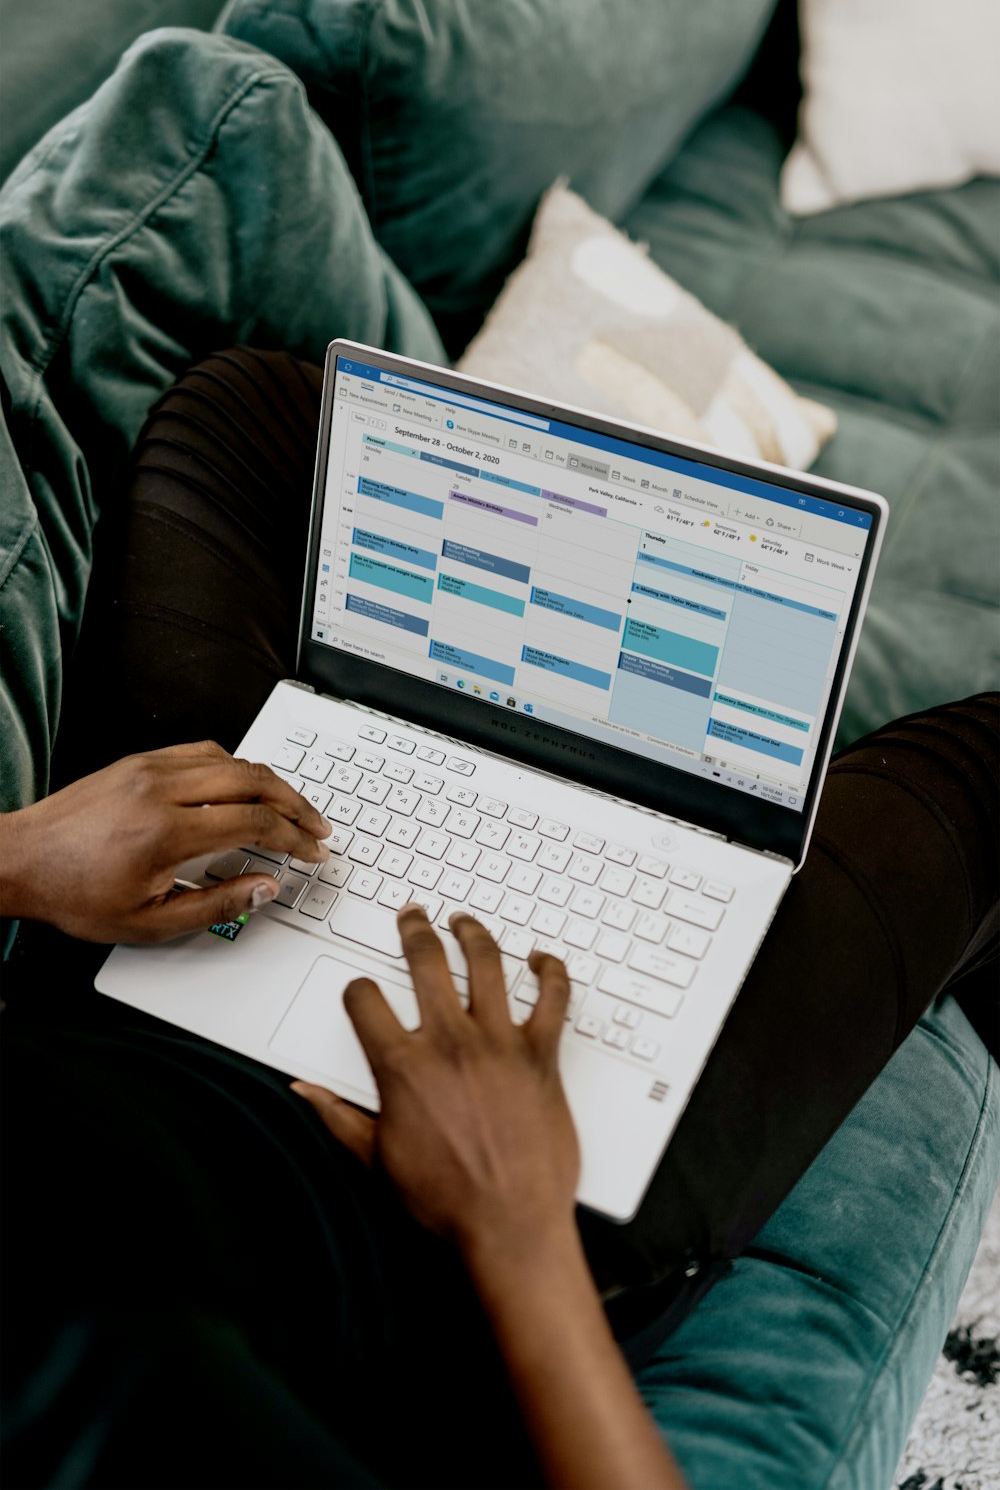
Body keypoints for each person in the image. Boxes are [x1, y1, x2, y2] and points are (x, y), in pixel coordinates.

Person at [1, 346, 997, 1489]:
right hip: (448, 1230)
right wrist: (516, 1223)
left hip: (116, 968)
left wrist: (25, 855)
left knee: (245, 407)